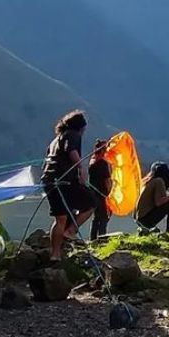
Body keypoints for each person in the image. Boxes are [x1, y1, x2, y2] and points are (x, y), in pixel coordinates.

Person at [41, 110, 95, 261]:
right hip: (63, 181)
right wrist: (81, 169)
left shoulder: (55, 140)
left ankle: (55, 254)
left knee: (60, 219)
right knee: (91, 203)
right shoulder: (72, 134)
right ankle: (70, 231)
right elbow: (71, 151)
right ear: (80, 126)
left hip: (49, 181)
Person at [136, 162, 169, 231]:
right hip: (145, 219)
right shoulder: (159, 181)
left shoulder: (149, 181)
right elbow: (158, 202)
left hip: (140, 219)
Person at [87, 139, 112, 240]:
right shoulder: (102, 163)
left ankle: (93, 239)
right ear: (102, 150)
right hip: (102, 194)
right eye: (106, 149)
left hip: (93, 193)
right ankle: (102, 239)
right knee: (104, 218)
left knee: (96, 218)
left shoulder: (92, 160)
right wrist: (109, 195)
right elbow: (107, 181)